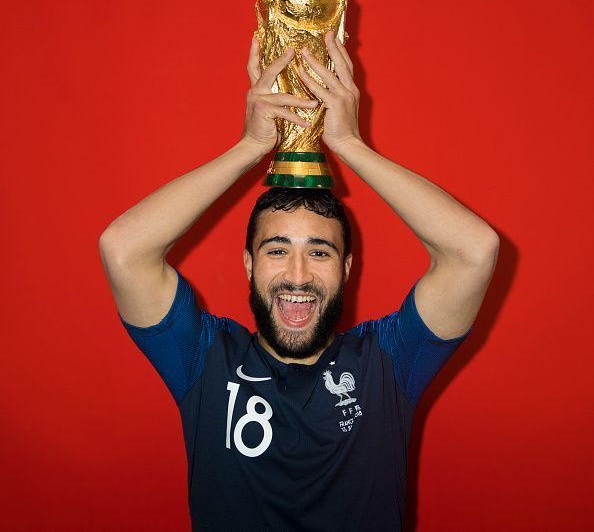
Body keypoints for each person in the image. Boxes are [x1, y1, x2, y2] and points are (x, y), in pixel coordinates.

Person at [99, 30, 499, 531]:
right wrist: (250, 146)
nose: (298, 275)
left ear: (347, 269)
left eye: (320, 251)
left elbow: (474, 251)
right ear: (248, 264)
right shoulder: (204, 359)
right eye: (277, 250)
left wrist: (349, 144)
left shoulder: (387, 362)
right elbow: (123, 249)